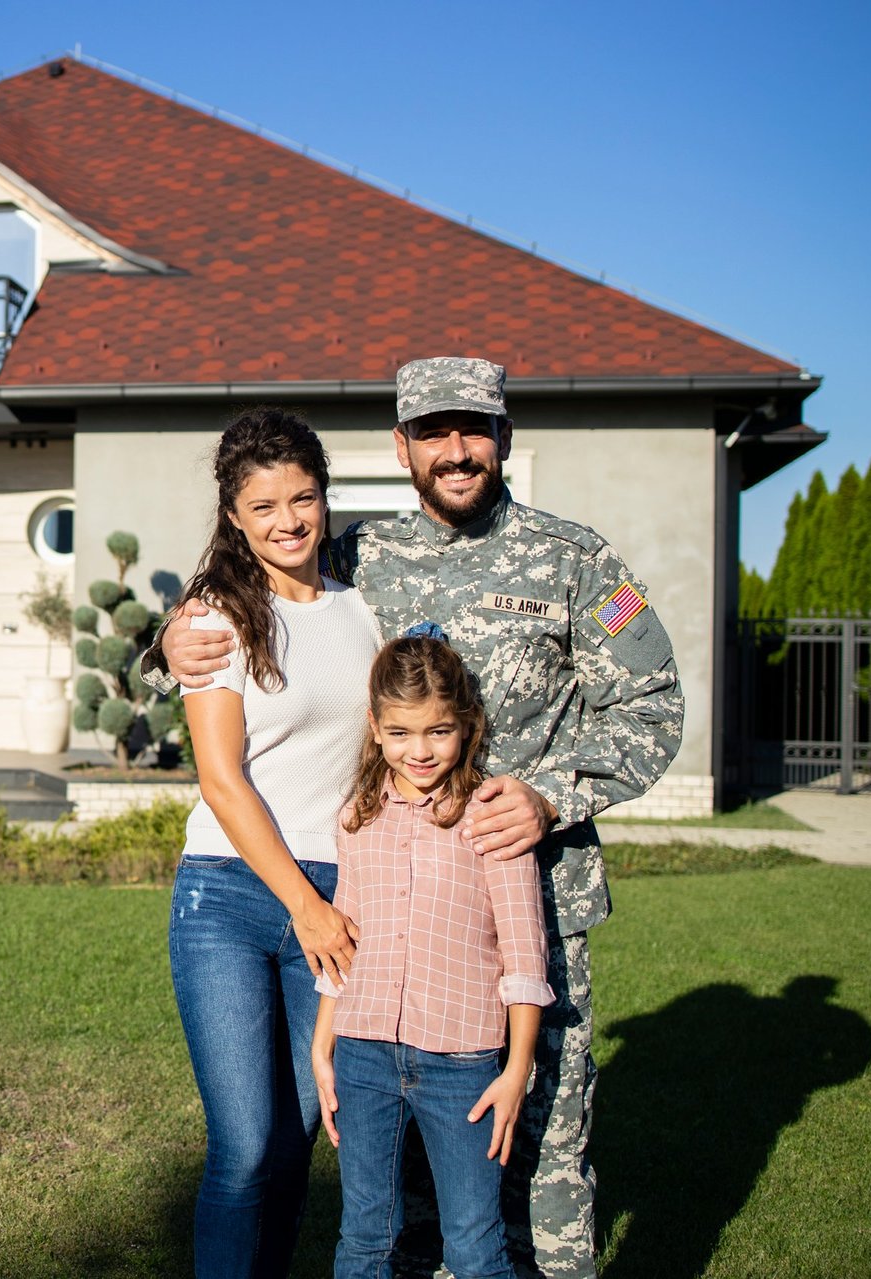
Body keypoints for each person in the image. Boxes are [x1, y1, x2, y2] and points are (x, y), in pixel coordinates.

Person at [148, 357, 684, 1279]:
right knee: (400, 1164)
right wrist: (165, 644)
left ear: (505, 437)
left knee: (544, 1144)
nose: (456, 450)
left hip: (533, 899)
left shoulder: (578, 560)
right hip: (397, 910)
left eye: (475, 429)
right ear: (403, 448)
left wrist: (551, 793)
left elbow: (656, 702)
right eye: (434, 431)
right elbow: (246, 601)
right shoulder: (361, 556)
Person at [168, 405, 383, 1277]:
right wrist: (305, 906)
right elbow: (221, 780)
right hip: (229, 894)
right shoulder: (216, 618)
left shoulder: (365, 609)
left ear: (325, 497)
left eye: (302, 498)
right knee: (246, 1143)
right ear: (234, 515)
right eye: (263, 506)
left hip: (335, 893)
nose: (287, 521)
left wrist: (333, 904)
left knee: (297, 1138)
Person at [312, 632, 555, 1279]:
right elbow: (344, 941)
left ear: (465, 725)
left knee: (474, 1247)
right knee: (365, 1236)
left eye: (438, 731)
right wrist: (323, 1044)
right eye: (400, 732)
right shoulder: (357, 817)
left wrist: (517, 1070)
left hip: (463, 1065)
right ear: (375, 727)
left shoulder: (492, 817)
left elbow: (525, 958)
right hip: (363, 1054)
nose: (419, 751)